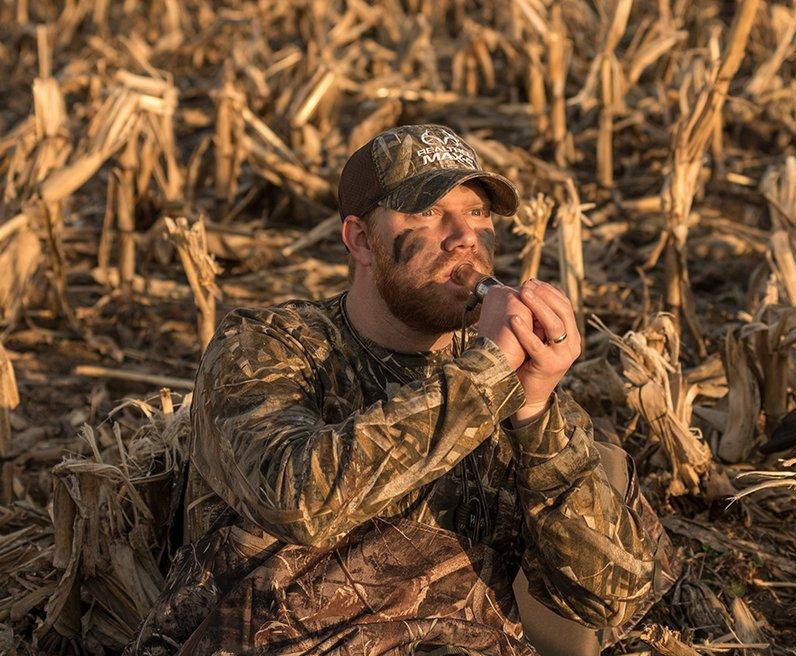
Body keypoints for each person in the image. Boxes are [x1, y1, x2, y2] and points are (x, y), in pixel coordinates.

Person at [127, 124, 677, 656]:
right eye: (429, 212)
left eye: (478, 212)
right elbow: (297, 500)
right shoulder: (269, 348)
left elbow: (610, 599)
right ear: (361, 240)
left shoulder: (502, 372)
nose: (465, 237)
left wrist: (535, 406)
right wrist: (486, 377)